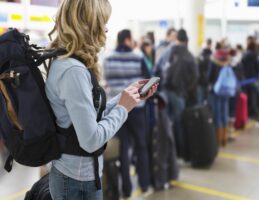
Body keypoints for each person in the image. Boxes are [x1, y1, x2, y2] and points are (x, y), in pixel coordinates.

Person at [46, 1, 157, 199]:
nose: (106, 29)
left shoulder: (70, 63)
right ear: (87, 24)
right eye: (102, 22)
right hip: (76, 182)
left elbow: (88, 115)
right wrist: (123, 109)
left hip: (80, 177)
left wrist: (124, 97)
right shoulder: (73, 71)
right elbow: (91, 140)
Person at [103, 29, 153, 198]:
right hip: (137, 108)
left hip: (118, 108)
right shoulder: (138, 57)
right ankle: (145, 185)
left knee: (122, 149)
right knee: (141, 146)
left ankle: (126, 189)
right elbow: (147, 80)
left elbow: (107, 81)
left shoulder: (108, 58)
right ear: (128, 40)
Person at [163, 29, 198, 158]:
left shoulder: (170, 52)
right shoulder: (189, 56)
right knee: (180, 123)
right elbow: (195, 77)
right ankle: (182, 152)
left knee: (168, 122)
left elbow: (161, 69)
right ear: (187, 41)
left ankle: (171, 152)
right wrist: (186, 90)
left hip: (167, 92)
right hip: (179, 94)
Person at [241, 39, 259, 120]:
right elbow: (257, 67)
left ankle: (248, 113)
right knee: (254, 96)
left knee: (247, 96)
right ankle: (254, 112)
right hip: (253, 78)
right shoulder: (254, 55)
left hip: (245, 79)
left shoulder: (244, 55)